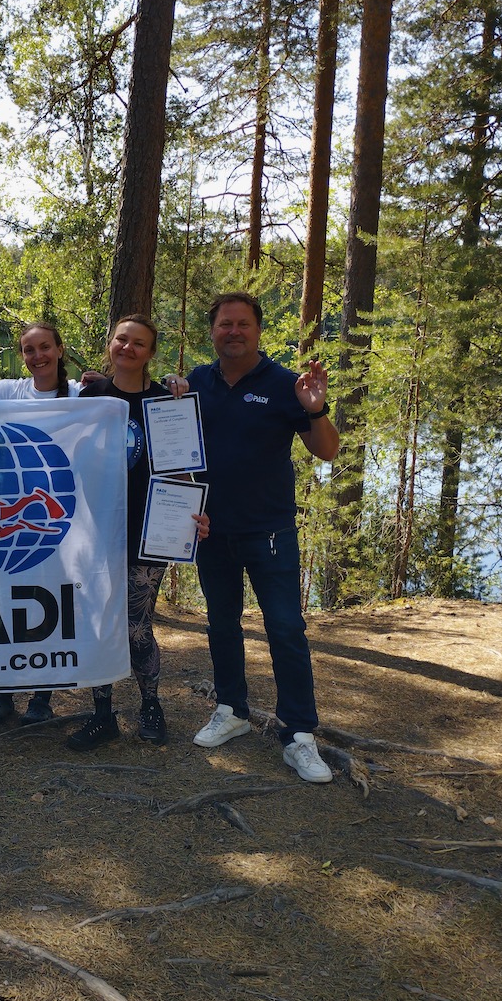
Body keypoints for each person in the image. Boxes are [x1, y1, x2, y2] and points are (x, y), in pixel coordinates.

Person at [188, 291, 339, 784]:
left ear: (258, 330)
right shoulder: (195, 383)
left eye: (243, 324)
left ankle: (298, 735)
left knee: (286, 630)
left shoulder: (283, 385)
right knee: (222, 625)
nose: (233, 331)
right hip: (211, 532)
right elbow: (176, 452)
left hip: (270, 532)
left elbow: (327, 452)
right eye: (224, 324)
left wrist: (315, 410)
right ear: (212, 332)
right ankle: (231, 710)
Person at [70, 314, 208, 750]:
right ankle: (103, 713)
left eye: (139, 343)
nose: (128, 348)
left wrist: (194, 512)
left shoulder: (167, 401)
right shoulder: (90, 394)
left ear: (150, 353)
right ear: (110, 344)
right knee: (98, 625)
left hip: (149, 532)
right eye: (121, 340)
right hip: (95, 531)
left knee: (137, 628)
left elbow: (182, 470)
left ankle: (151, 704)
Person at [0, 321, 79, 726]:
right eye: (29, 350)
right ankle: (2, 692)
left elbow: (123, 398)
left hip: (58, 515)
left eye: (44, 348)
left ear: (59, 349)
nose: (37, 357)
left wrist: (173, 386)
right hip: (8, 511)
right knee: (3, 600)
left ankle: (42, 696)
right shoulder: (10, 390)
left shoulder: (79, 394)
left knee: (49, 604)